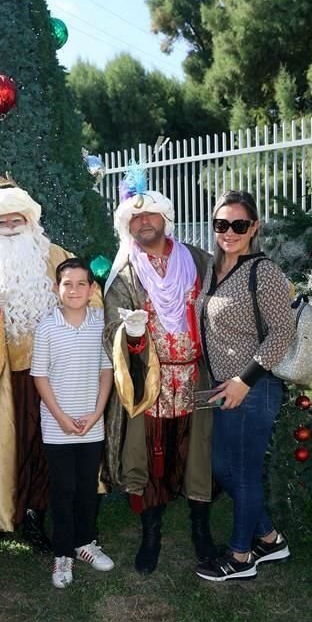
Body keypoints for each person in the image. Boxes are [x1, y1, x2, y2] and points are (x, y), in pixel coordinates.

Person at [0, 173, 101, 561]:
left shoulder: (52, 255)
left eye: (16, 219)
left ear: (30, 221)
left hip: (54, 375)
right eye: (0, 222)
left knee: (43, 449)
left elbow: (90, 294)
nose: (9, 227)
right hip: (3, 376)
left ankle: (36, 516)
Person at [103, 166, 216, 576]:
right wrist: (131, 335)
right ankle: (151, 534)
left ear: (165, 219)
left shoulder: (199, 260)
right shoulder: (126, 275)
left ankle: (201, 531)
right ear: (127, 226)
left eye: (150, 216)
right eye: (135, 218)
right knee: (150, 458)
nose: (144, 222)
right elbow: (110, 329)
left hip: (195, 378)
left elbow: (219, 308)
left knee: (197, 454)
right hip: (148, 384)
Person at [195, 190, 296, 582]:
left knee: (244, 471)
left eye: (239, 224)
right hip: (225, 387)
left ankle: (241, 557)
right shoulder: (213, 268)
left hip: (254, 389)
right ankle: (269, 538)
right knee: (224, 467)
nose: (229, 232)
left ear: (253, 227)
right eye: (222, 224)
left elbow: (281, 332)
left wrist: (244, 380)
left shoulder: (264, 271)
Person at [30, 257, 114, 589]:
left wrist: (96, 413)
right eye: (68, 283)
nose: (75, 290)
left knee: (86, 489)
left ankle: (85, 543)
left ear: (93, 289)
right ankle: (62, 553)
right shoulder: (47, 326)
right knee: (63, 490)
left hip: (91, 423)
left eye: (82, 283)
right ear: (56, 288)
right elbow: (40, 376)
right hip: (57, 426)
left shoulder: (100, 323)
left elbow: (106, 371)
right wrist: (61, 418)